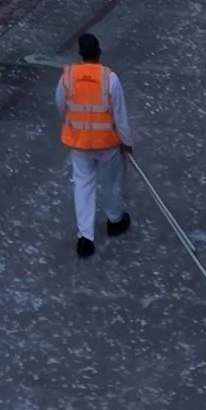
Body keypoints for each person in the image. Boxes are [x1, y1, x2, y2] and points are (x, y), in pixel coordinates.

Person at [57, 29, 130, 256]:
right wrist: (126, 142)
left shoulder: (67, 77)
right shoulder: (110, 78)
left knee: (83, 185)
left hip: (79, 143)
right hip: (107, 143)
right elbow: (120, 115)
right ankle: (115, 220)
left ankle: (85, 238)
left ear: (79, 53)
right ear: (99, 52)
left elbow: (61, 105)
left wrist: (71, 125)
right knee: (111, 183)